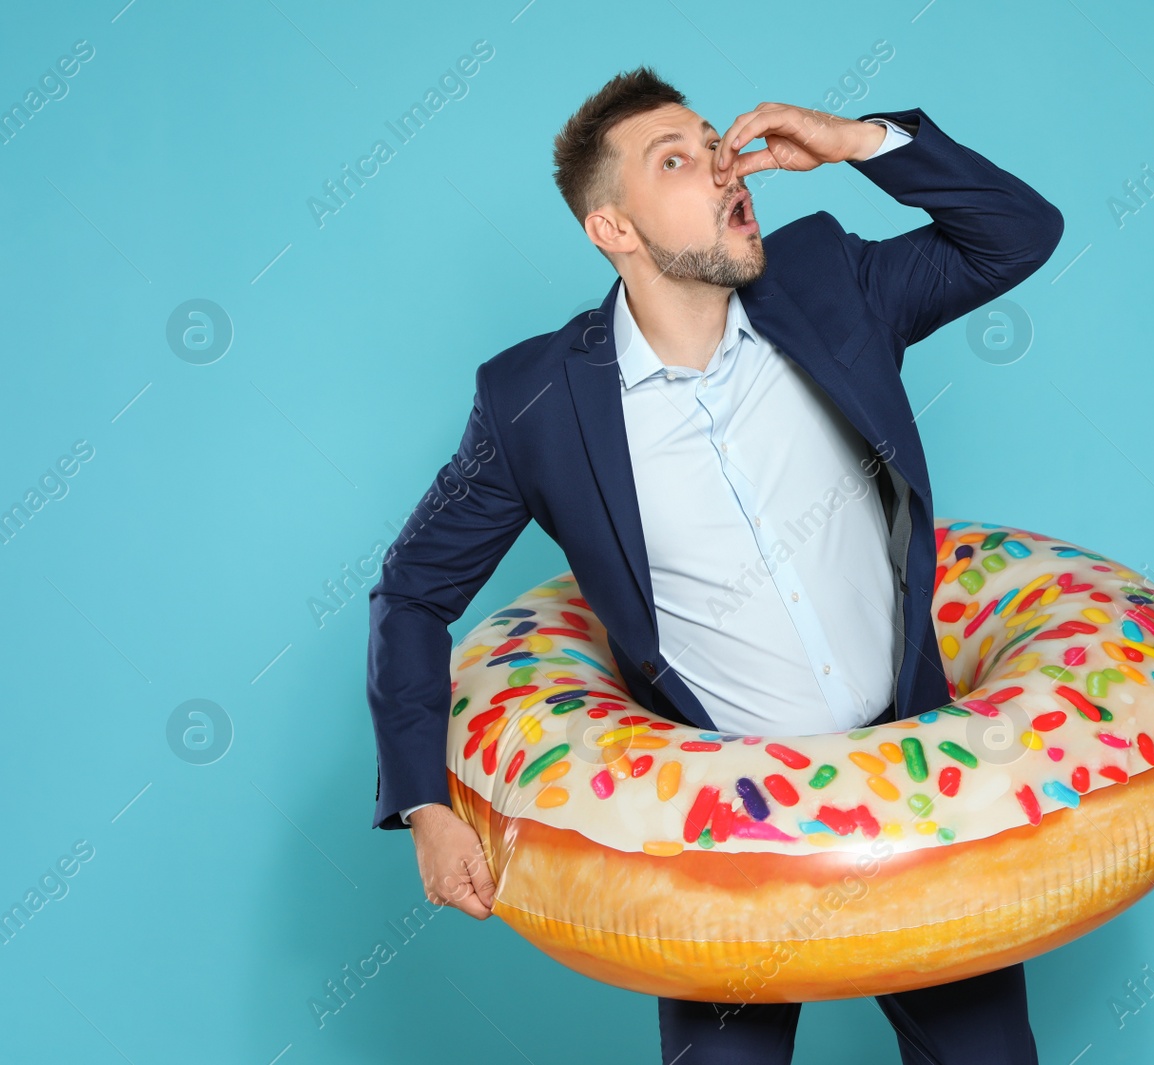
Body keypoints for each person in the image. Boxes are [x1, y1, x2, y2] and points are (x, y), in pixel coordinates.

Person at [365, 65, 1064, 1065]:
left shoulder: (827, 284)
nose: (725, 166)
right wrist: (426, 803)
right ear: (614, 229)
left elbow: (1018, 233)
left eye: (714, 142)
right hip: (717, 832)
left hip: (913, 794)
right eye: (676, 161)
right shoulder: (533, 402)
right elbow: (413, 592)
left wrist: (861, 141)